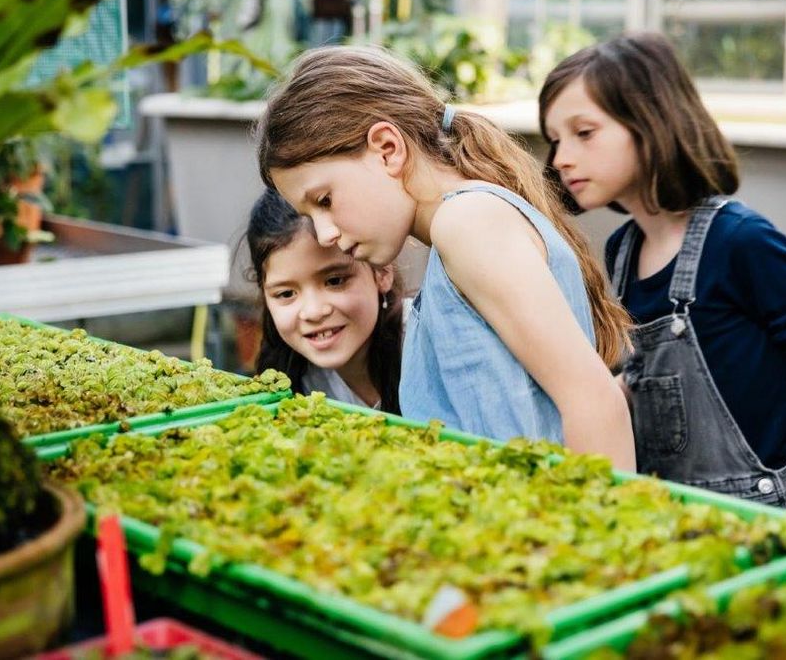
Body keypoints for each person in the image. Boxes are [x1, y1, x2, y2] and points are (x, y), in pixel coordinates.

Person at [538, 32, 786, 532]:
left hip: (772, 523)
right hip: (681, 519)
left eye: (584, 133)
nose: (562, 157)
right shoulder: (623, 253)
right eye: (555, 139)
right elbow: (649, 377)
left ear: (650, 124)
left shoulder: (741, 241)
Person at [257, 45, 636, 470]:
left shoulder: (468, 223)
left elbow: (595, 402)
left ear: (387, 148)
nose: (325, 233)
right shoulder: (458, 228)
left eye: (324, 200)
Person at [247, 189, 403, 412]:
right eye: (286, 294)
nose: (313, 311)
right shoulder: (290, 380)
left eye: (335, 280)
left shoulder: (435, 346)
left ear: (382, 271)